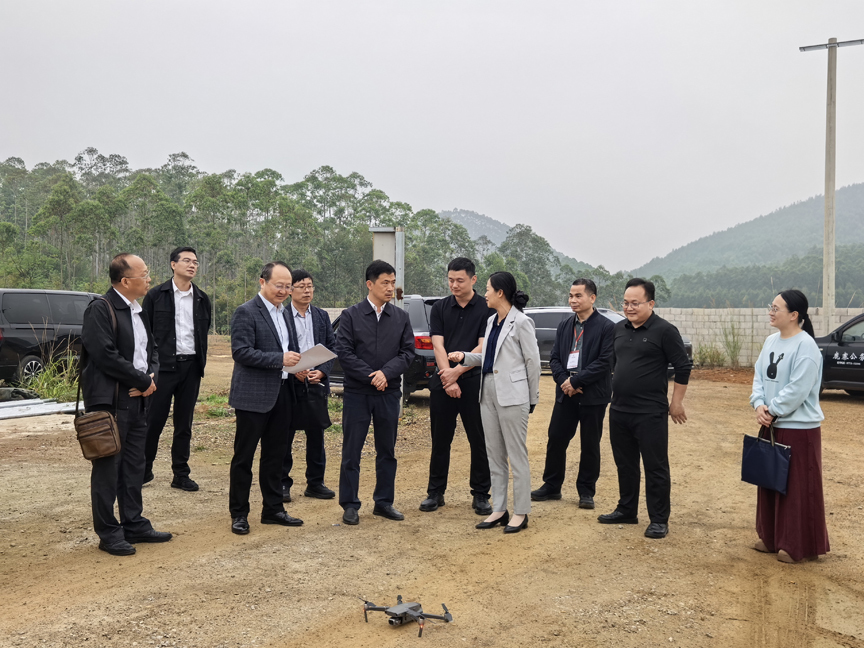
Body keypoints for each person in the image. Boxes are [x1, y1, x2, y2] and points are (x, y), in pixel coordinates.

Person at [80, 253, 172, 556]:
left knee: (134, 466)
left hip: (139, 401)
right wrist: (141, 380)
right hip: (111, 403)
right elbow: (105, 355)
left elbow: (151, 351)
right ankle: (108, 532)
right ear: (124, 281)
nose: (149, 279)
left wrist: (150, 379)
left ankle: (134, 523)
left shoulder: (137, 310)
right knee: (108, 469)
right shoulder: (100, 309)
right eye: (143, 275)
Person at [448, 271, 540, 534]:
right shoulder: (491, 321)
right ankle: (499, 509)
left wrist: (532, 397)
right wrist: (465, 356)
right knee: (494, 454)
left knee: (516, 455)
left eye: (488, 289)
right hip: (487, 391)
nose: (485, 293)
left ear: (500, 292)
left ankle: (521, 512)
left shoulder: (522, 322)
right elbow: (489, 357)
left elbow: (533, 363)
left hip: (513, 395)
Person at [598, 277, 691, 539]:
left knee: (655, 466)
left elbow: (682, 366)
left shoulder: (665, 331)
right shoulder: (619, 329)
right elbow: (613, 363)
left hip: (650, 413)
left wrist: (676, 402)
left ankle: (659, 519)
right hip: (619, 410)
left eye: (635, 303)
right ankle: (627, 510)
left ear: (651, 303)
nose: (629, 307)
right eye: (625, 303)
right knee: (625, 464)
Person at [750, 289, 829, 563]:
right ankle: (771, 538)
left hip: (798, 428)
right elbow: (759, 377)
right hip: (771, 423)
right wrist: (758, 404)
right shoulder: (771, 341)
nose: (770, 312)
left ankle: (796, 544)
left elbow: (798, 389)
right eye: (770, 307)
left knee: (796, 488)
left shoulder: (806, 346)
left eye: (776, 308)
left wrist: (772, 410)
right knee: (770, 481)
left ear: (794, 315)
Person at [336, 260, 415, 526]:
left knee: (387, 451)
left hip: (388, 393)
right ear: (370, 284)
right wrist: (373, 376)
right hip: (358, 393)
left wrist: (386, 374)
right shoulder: (351, 315)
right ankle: (350, 504)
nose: (391, 288)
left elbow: (407, 353)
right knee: (352, 450)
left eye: (393, 283)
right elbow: (345, 353)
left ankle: (384, 502)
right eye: (385, 283)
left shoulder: (401, 317)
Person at [227, 262, 303, 535]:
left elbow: (289, 349)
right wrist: (280, 359)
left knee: (275, 455)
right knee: (244, 457)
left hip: (282, 392)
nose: (283, 291)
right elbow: (241, 352)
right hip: (252, 396)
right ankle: (239, 513)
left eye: (288, 287)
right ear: (262, 282)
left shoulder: (286, 313)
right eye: (278, 285)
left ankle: (273, 509)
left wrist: (299, 366)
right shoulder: (246, 311)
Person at [531, 278, 614, 509]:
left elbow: (605, 362)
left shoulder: (607, 327)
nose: (573, 300)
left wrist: (577, 380)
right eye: (570, 296)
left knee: (590, 444)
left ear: (592, 298)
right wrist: (565, 382)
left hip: (593, 394)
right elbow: (555, 358)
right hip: (566, 393)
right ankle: (552, 485)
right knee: (556, 438)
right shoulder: (566, 325)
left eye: (578, 296)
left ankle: (586, 491)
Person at [420, 257, 493, 516]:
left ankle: (481, 494)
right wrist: (446, 377)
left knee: (479, 440)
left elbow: (483, 346)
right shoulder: (440, 307)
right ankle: (435, 492)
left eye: (460, 280)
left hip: (473, 382)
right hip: (443, 381)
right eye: (450, 280)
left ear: (473, 279)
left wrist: (458, 372)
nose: (454, 285)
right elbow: (437, 345)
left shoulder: (486, 307)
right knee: (440, 440)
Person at [142, 246, 211, 491]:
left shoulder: (202, 298)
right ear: (173, 264)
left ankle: (180, 474)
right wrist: (149, 368)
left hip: (191, 367)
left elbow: (202, 333)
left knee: (184, 424)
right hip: (163, 368)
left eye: (195, 262)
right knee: (154, 421)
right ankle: (143, 470)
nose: (192, 265)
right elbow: (145, 334)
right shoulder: (155, 295)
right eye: (187, 261)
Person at [281, 268, 337, 502]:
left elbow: (332, 347)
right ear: (290, 290)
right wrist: (294, 371)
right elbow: (278, 349)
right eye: (302, 286)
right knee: (285, 434)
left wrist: (322, 372)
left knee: (316, 434)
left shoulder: (321, 316)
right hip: (289, 383)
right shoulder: (281, 315)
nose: (307, 291)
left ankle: (315, 483)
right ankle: (282, 484)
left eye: (310, 286)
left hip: (315, 382)